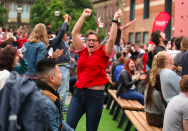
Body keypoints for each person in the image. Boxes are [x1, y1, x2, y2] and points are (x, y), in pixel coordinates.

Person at [66, 8, 122, 131]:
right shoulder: (82, 51)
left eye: (94, 40)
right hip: (78, 94)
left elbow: (112, 39)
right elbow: (75, 33)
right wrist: (83, 16)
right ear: (86, 42)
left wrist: (114, 20)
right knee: (67, 127)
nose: (91, 42)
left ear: (98, 42)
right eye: (88, 40)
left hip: (95, 96)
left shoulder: (103, 52)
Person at [36, 58, 74, 131]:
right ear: (52, 78)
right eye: (59, 72)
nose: (61, 75)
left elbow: (59, 122)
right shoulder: (46, 104)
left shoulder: (48, 95)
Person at [50, 14, 71, 113]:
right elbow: (62, 31)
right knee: (61, 91)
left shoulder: (64, 41)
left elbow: (64, 31)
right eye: (65, 33)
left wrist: (68, 23)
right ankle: (57, 108)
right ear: (60, 34)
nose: (67, 34)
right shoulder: (57, 41)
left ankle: (62, 107)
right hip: (61, 67)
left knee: (66, 89)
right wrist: (65, 21)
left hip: (66, 67)